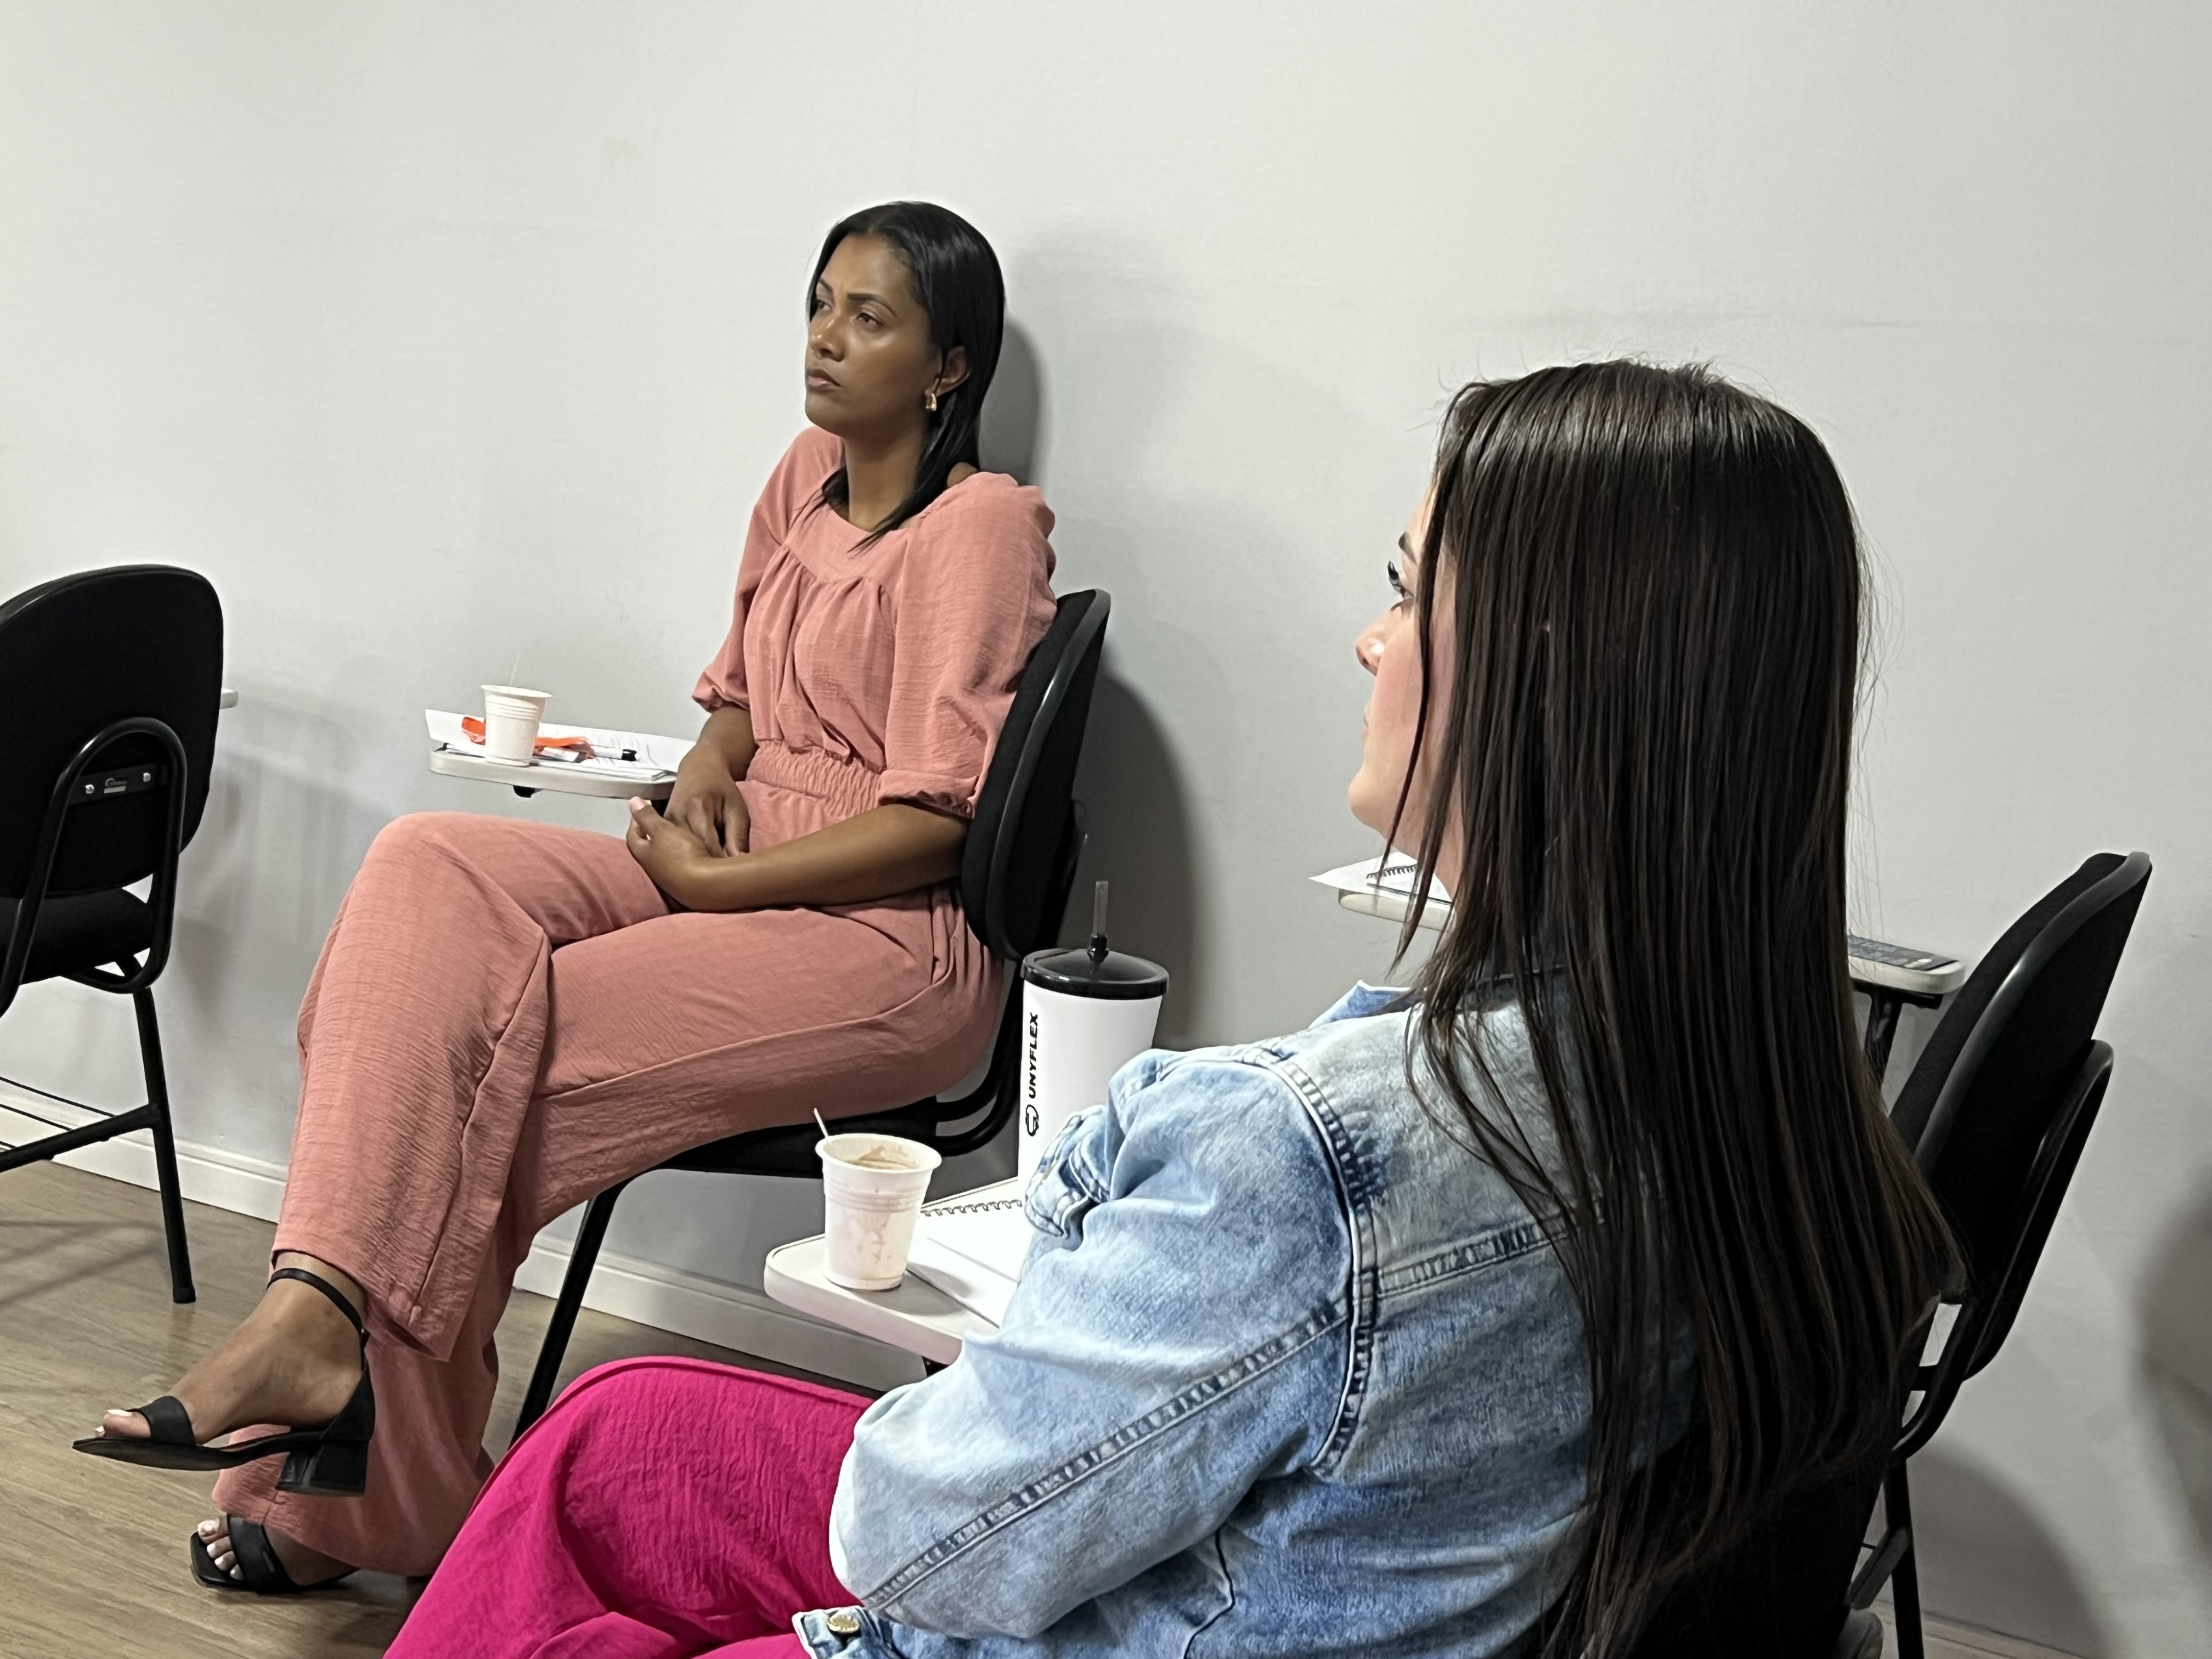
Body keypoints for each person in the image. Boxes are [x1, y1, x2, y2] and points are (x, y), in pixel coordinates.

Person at [397, 360, 1959, 1659]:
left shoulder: (1313, 1155)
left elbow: (921, 1543)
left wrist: (1140, 1162)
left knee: (607, 1523)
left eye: (1405, 591)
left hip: (888, 971)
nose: (1370, 639)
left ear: (1544, 677)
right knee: (617, 1429)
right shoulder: (1778, 1109)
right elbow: (729, 714)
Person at [74, 201, 1059, 1595]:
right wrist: (709, 776)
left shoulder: (983, 526)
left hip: (885, 938)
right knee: (425, 869)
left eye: (869, 317)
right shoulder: (803, 477)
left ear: (951, 364)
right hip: (730, 866)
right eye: (817, 304)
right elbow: (734, 702)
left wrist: (718, 879)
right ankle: (315, 1321)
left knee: (489, 1066)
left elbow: (939, 824)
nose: (825, 339)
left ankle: (358, 1490)